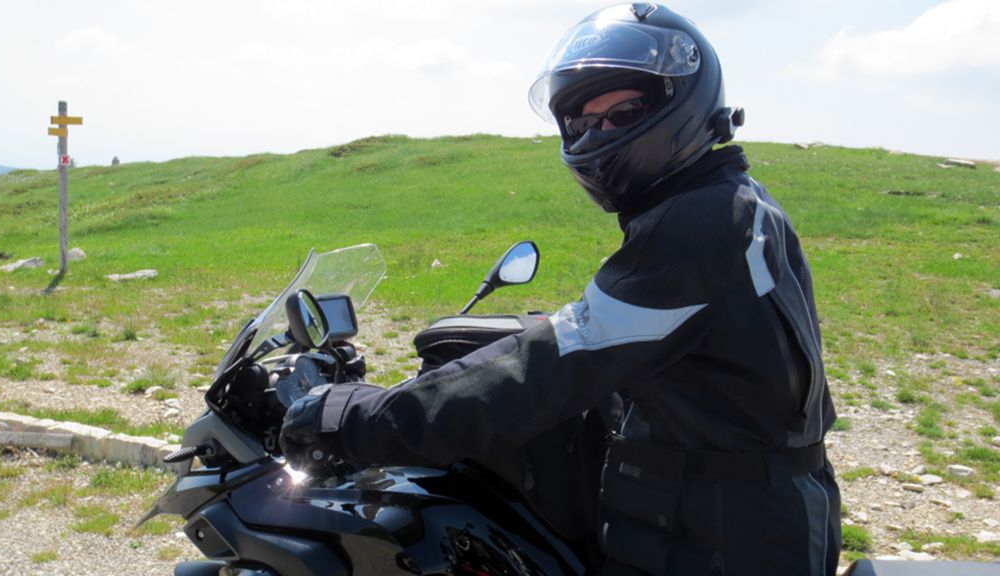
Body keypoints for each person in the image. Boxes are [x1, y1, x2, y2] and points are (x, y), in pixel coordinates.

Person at [280, 3, 841, 575]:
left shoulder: (699, 223)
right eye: (583, 121)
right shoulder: (735, 199)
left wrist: (362, 419)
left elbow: (555, 364)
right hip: (745, 513)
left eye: (624, 112)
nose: (600, 132)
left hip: (723, 541)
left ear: (682, 101)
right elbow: (657, 345)